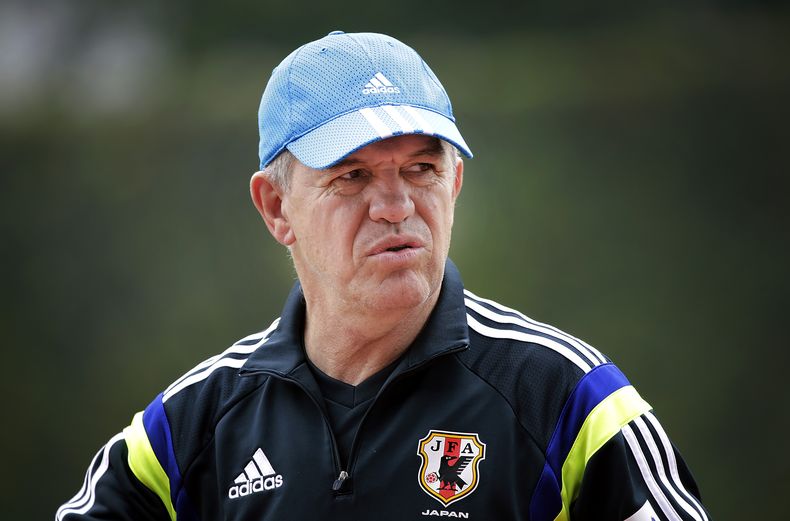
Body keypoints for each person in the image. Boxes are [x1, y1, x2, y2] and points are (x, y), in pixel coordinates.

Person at [56, 31, 709, 521]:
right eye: (352, 175)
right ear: (276, 207)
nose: (396, 206)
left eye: (420, 169)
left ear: (454, 182)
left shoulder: (570, 399)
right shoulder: (189, 427)